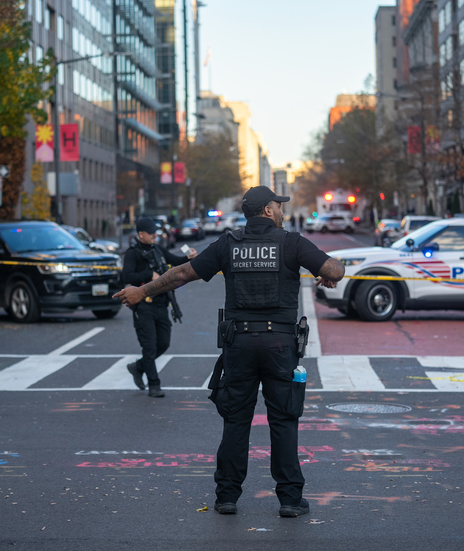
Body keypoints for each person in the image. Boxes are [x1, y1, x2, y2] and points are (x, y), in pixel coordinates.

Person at [114, 186, 345, 517]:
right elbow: (334, 271)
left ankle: (227, 496)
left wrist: (141, 292)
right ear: (267, 211)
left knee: (236, 420)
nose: (282, 211)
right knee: (284, 420)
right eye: (278, 207)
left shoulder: (229, 244)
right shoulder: (291, 243)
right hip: (280, 345)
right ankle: (290, 500)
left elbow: (182, 274)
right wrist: (328, 271)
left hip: (239, 345)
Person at [122, 216, 197, 397]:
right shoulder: (133, 253)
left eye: (155, 231)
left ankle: (138, 367)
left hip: (162, 304)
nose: (155, 235)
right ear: (141, 234)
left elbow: (175, 261)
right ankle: (154, 385)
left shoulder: (158, 249)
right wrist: (149, 274)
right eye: (151, 233)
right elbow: (126, 277)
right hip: (144, 306)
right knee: (149, 347)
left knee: (163, 343)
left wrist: (189, 258)